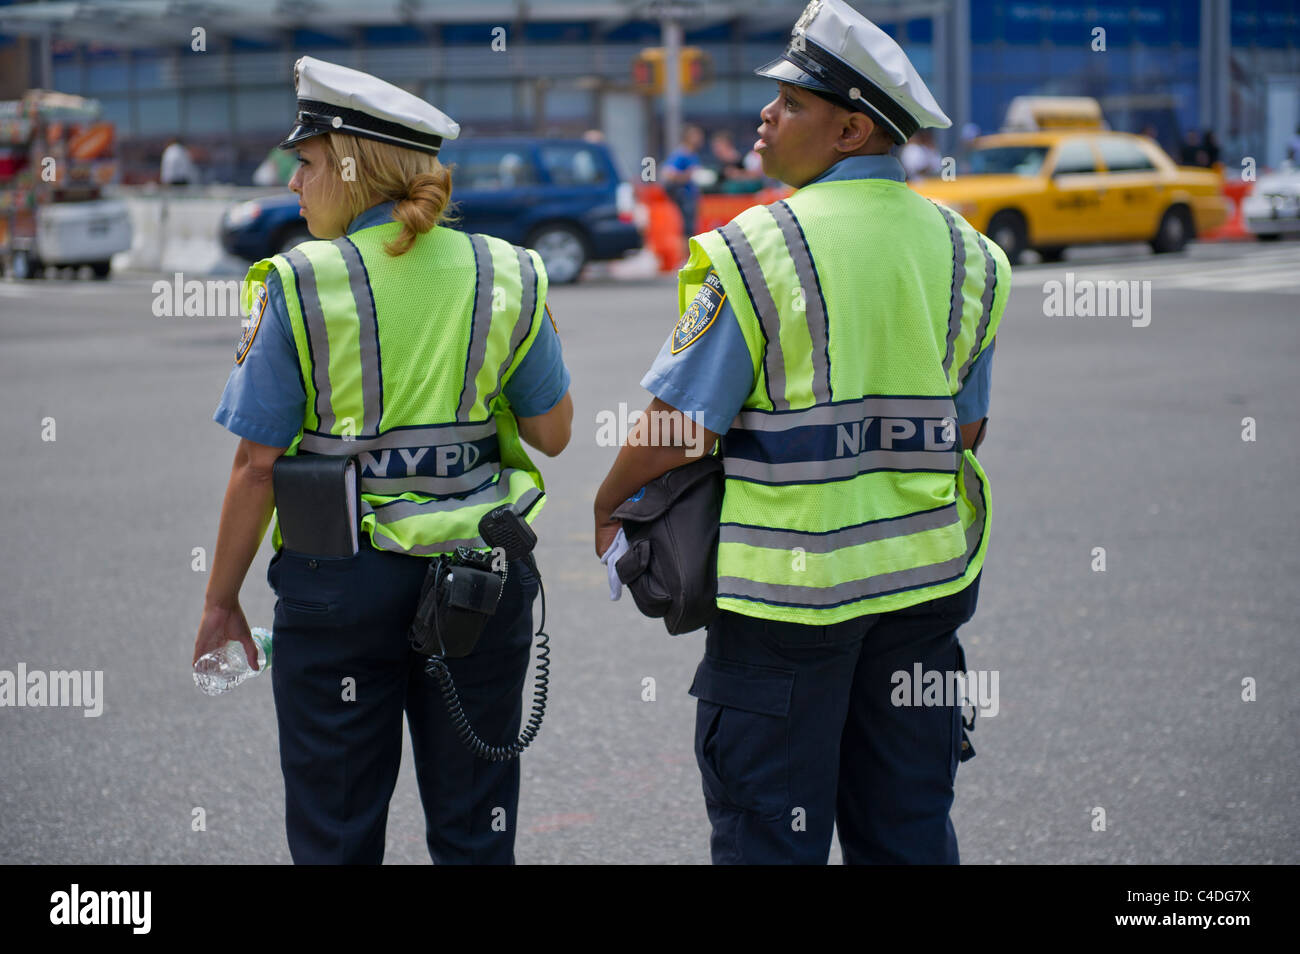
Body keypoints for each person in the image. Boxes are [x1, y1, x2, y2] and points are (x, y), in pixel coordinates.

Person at [594, 0, 1009, 865]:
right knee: (908, 829)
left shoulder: (754, 247)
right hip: (926, 589)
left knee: (768, 836)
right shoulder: (972, 254)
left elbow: (679, 426)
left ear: (851, 128)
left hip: (787, 603)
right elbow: (965, 427)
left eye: (789, 102)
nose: (766, 113)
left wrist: (607, 501)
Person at [193, 56, 573, 865]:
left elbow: (257, 466)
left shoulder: (297, 282)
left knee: (336, 835)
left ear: (353, 168)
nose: (295, 184)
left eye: (305, 162)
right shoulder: (508, 271)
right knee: (476, 832)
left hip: (340, 588)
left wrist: (221, 601)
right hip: (479, 583)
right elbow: (554, 433)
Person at [663, 124, 705, 235]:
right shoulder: (681, 154)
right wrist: (688, 175)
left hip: (692, 196)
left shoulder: (693, 154)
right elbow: (668, 173)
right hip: (684, 197)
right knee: (686, 230)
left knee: (692, 228)